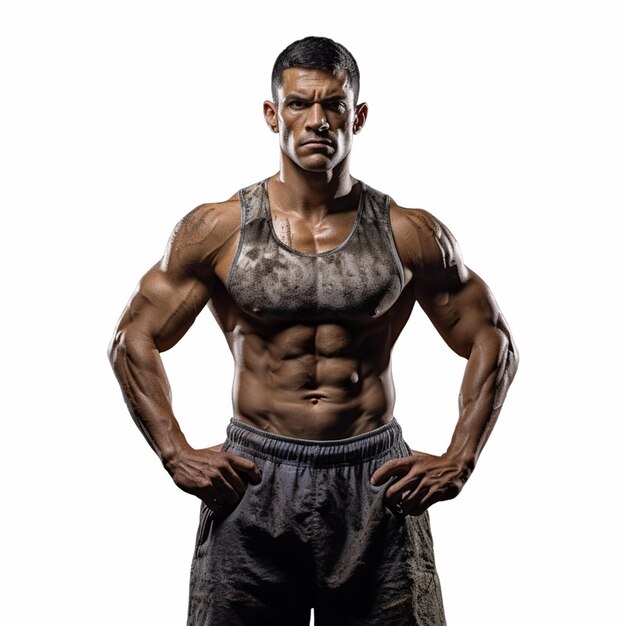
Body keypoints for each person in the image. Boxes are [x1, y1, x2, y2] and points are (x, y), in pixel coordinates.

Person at [108, 35, 518, 626]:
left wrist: (461, 457)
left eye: (333, 105)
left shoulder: (407, 232)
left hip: (375, 481)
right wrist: (174, 452)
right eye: (299, 104)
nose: (317, 120)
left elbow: (492, 341)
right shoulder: (220, 228)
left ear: (359, 116)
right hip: (252, 479)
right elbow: (132, 338)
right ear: (273, 115)